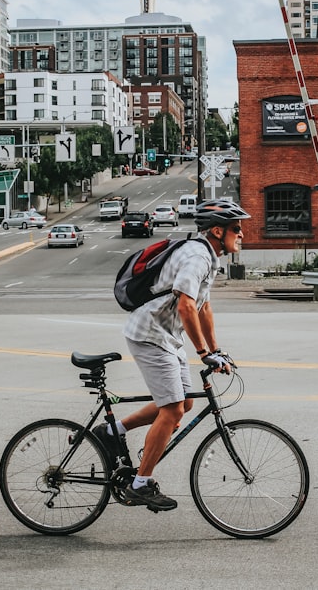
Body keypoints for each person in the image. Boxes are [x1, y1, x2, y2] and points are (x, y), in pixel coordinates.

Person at [94, 199, 250, 511]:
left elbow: (202, 307)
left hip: (167, 337)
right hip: (150, 335)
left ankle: (113, 430)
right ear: (217, 231)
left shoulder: (208, 256)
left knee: (185, 402)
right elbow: (185, 306)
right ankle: (140, 483)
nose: (242, 233)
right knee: (173, 409)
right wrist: (204, 353)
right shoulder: (196, 257)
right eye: (236, 228)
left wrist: (216, 349)